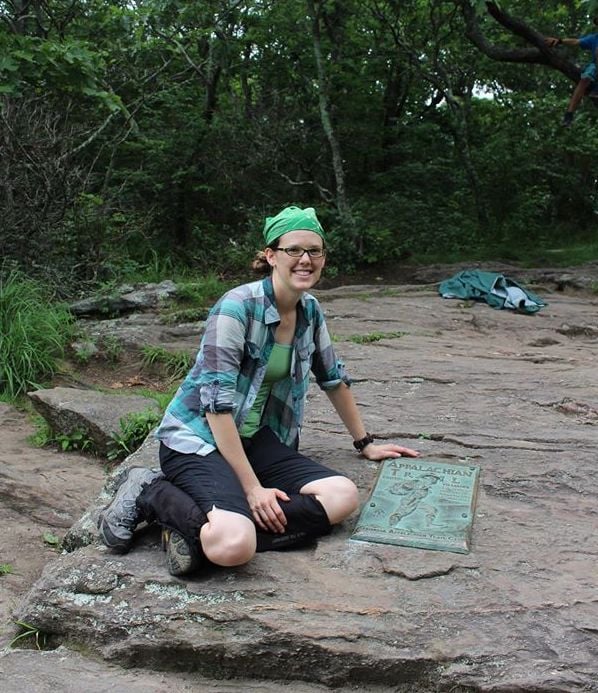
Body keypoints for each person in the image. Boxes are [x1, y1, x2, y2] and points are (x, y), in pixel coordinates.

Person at [98, 206, 419, 576]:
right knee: (235, 548)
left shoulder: (310, 311)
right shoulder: (236, 308)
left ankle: (203, 532)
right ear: (270, 256)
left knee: (342, 496)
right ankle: (150, 491)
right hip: (199, 441)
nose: (305, 260)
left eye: (315, 251)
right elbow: (216, 408)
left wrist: (366, 444)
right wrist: (252, 489)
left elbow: (332, 378)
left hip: (257, 439)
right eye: (293, 250)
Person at [545, 17, 598, 126]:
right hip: (594, 70)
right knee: (585, 78)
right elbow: (576, 41)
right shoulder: (594, 38)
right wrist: (559, 41)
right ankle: (569, 114)